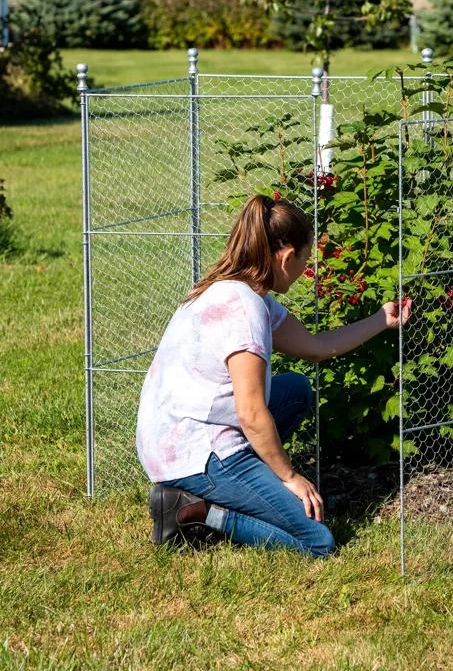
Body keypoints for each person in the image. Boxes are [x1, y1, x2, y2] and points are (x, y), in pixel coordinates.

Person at [135, 193, 410, 556]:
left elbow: (314, 347)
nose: (304, 269)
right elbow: (250, 413)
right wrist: (289, 476)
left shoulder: (241, 292)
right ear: (285, 257)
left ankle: (239, 488)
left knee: (295, 390)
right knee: (316, 541)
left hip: (174, 433)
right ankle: (195, 511)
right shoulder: (243, 311)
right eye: (305, 259)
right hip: (194, 451)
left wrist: (381, 320)